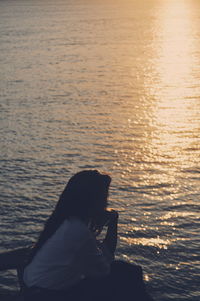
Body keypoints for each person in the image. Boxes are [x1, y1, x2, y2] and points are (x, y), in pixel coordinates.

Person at [23, 170, 154, 301]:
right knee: (127, 274)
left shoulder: (63, 222)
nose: (107, 202)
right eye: (105, 197)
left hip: (39, 289)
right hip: (48, 295)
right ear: (93, 200)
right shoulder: (77, 231)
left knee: (124, 272)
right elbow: (104, 269)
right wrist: (114, 220)